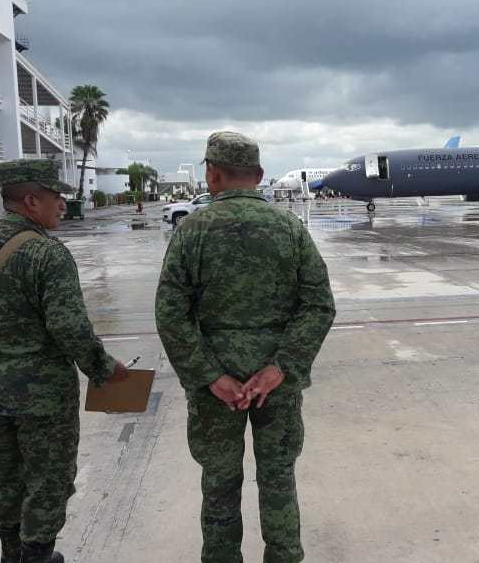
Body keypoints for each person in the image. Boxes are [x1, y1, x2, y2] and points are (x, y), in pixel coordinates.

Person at [156, 132, 335, 563]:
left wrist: (209, 375)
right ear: (257, 176)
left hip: (216, 388)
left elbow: (170, 313)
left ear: (211, 174)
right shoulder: (289, 228)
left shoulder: (191, 230)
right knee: (278, 480)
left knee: (218, 483)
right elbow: (318, 305)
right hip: (276, 385)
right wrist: (281, 368)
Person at [0, 159, 129, 563]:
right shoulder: (46, 253)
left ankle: (10, 553)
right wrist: (104, 369)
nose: (63, 205)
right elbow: (69, 326)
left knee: (7, 476)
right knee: (49, 478)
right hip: (42, 396)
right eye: (56, 197)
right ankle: (36, 555)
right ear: (31, 201)